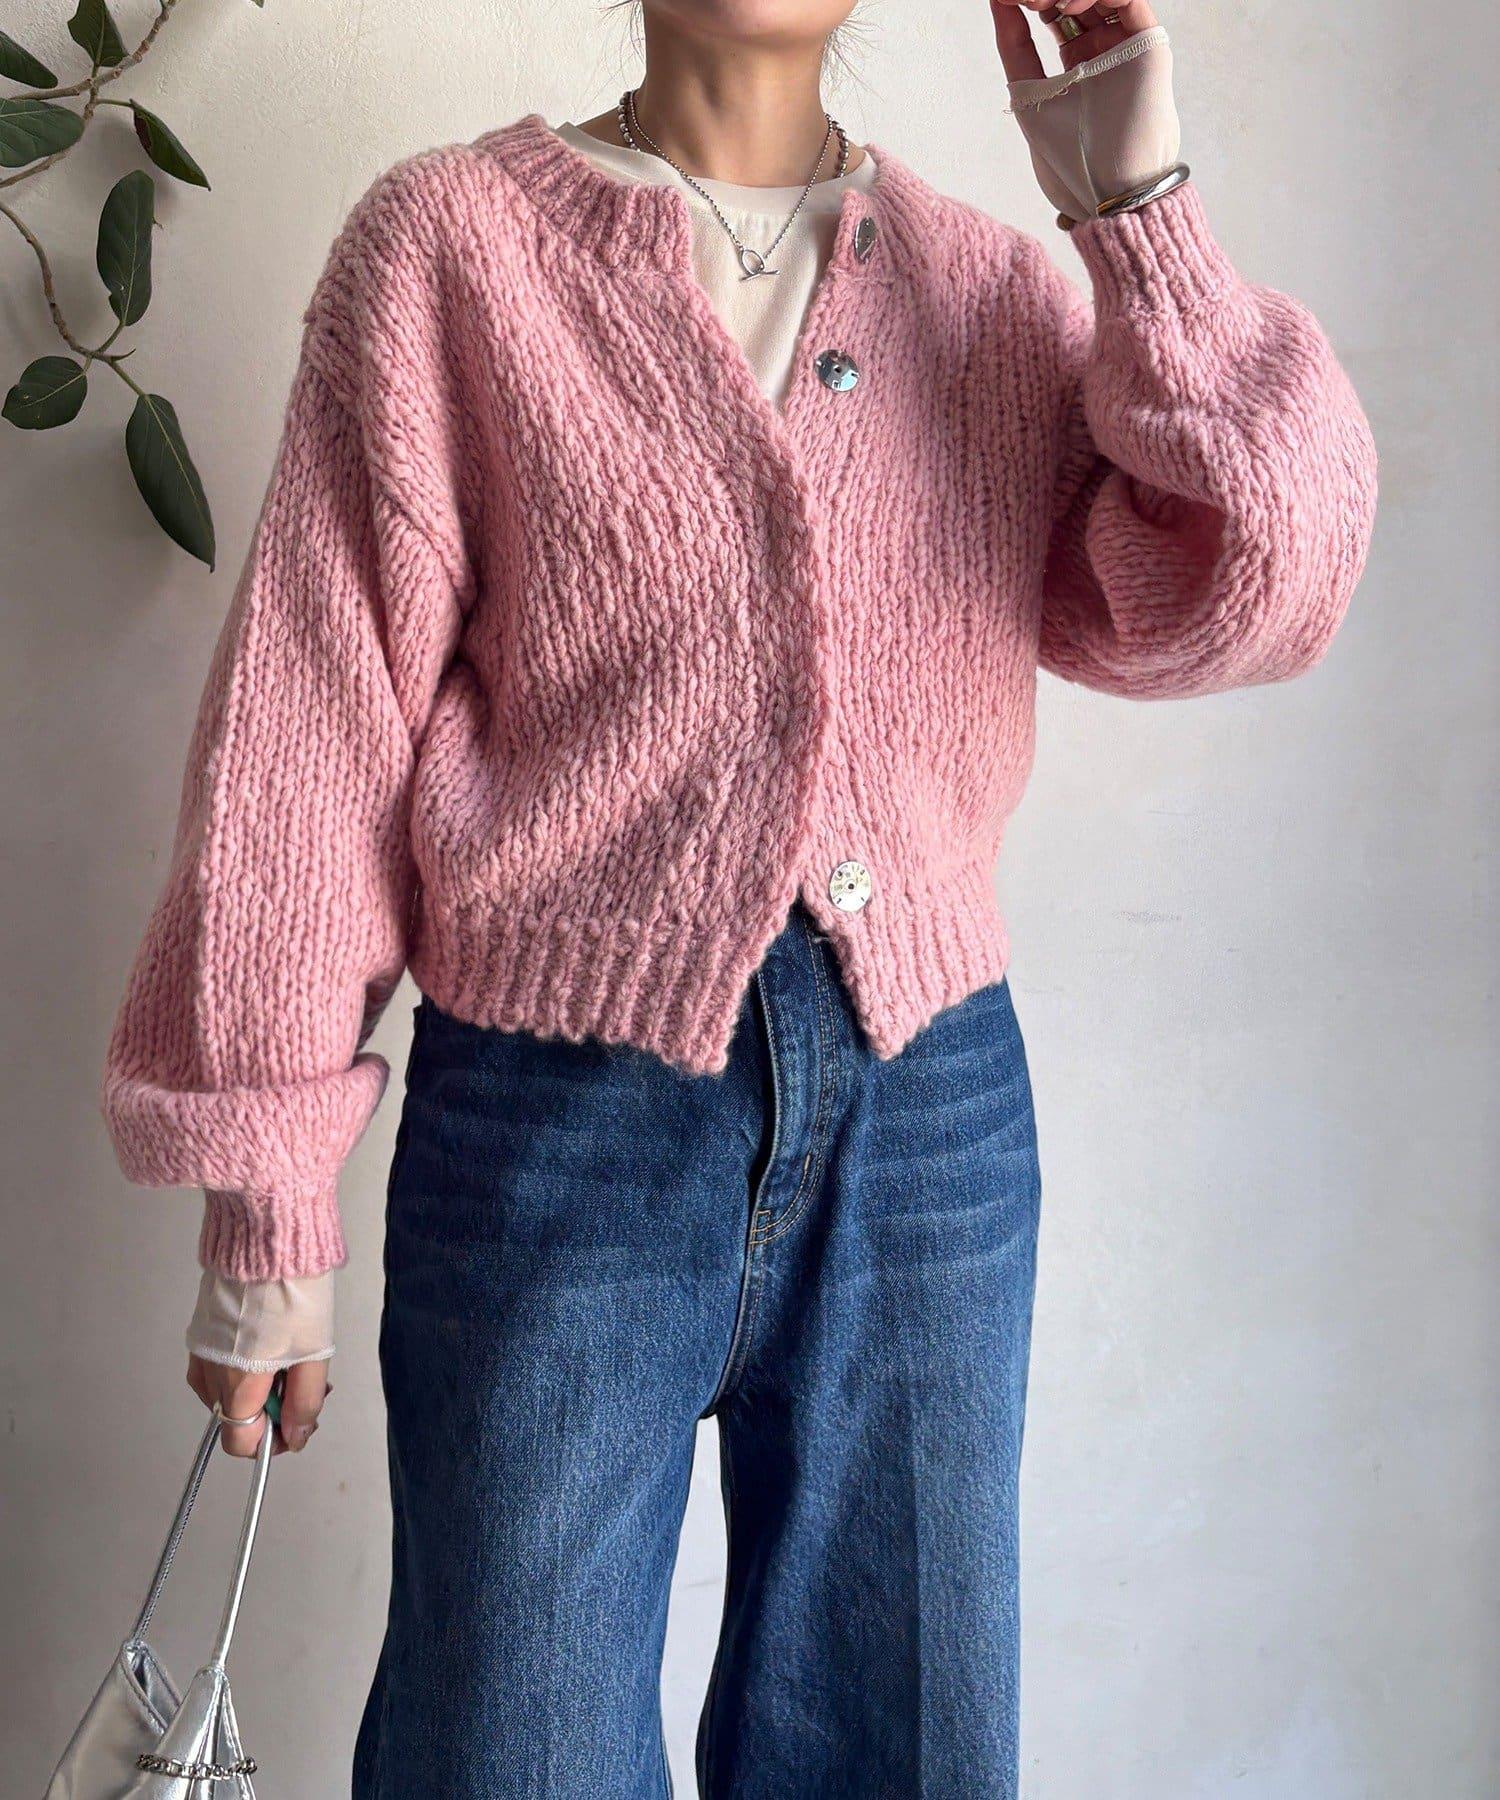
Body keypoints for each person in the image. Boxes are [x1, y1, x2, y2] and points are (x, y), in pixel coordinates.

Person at [97, 1, 1378, 1793]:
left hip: (926, 1121)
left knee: (899, 1745)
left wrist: (1135, 203)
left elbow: (1267, 576)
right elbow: (309, 739)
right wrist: (264, 1198)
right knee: (510, 1750)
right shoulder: (450, 248)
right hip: (551, 1120)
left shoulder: (989, 299)